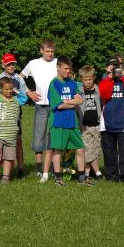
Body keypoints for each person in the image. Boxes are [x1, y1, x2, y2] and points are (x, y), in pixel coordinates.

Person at [43, 56, 89, 186]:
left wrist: (67, 101)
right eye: (66, 68)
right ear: (58, 68)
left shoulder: (73, 83)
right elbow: (58, 106)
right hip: (58, 122)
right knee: (57, 150)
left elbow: (80, 100)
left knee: (80, 148)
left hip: (72, 122)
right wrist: (71, 103)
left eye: (70, 69)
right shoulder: (54, 84)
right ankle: (58, 178)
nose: (68, 71)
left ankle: (81, 178)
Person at [99, 56, 124, 182]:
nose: (117, 69)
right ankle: (111, 176)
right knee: (109, 152)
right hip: (107, 122)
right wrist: (109, 77)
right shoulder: (105, 81)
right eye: (113, 67)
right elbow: (104, 94)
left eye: (118, 66)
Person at [21, 40, 57, 177]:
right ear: (41, 50)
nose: (50, 54)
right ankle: (38, 168)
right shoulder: (33, 63)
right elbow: (19, 78)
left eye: (52, 51)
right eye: (47, 51)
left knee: (54, 136)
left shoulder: (58, 62)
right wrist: (29, 92)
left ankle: (54, 167)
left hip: (56, 105)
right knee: (38, 136)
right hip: (40, 104)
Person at [0, 53, 28, 178]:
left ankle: (20, 168)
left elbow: (24, 95)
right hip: (2, 113)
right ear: (3, 65)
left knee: (18, 141)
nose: (11, 66)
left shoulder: (19, 78)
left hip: (15, 114)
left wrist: (16, 91)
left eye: (13, 64)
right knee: (0, 142)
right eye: (8, 64)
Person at [77, 65, 103, 180]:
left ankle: (87, 172)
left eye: (90, 79)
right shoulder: (79, 92)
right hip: (85, 126)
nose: (88, 82)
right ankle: (97, 172)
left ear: (94, 78)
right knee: (87, 150)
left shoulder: (98, 90)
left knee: (96, 150)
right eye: (85, 80)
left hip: (97, 125)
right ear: (81, 80)